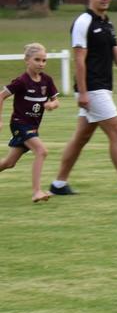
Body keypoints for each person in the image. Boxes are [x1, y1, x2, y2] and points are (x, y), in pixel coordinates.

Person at [49, 0, 117, 196]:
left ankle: (59, 184)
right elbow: (79, 60)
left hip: (102, 87)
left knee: (81, 137)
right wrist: (82, 92)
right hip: (92, 88)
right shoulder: (83, 22)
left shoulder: (106, 22)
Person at [0, 43, 60, 202]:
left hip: (32, 127)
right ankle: (37, 192)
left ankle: (37, 191)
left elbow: (56, 101)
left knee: (8, 163)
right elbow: (1, 96)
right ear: (27, 60)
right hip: (20, 124)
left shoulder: (47, 80)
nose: (41, 63)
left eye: (44, 60)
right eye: (37, 60)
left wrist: (51, 105)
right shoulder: (21, 81)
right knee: (41, 151)